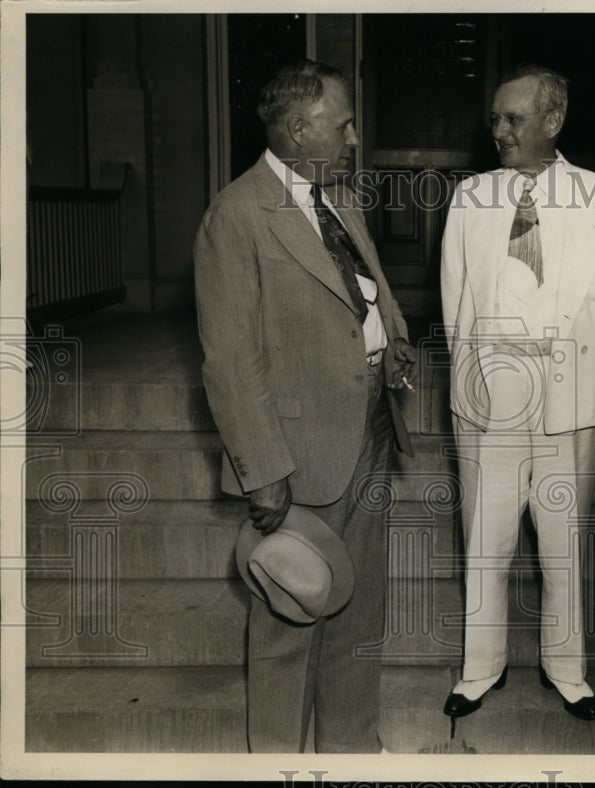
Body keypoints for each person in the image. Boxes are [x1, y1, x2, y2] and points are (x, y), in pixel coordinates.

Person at [193, 58, 415, 753]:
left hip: (371, 428)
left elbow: (366, 291)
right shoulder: (236, 215)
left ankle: (353, 749)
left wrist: (396, 341)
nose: (353, 136)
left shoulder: (339, 197)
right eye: (341, 123)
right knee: (291, 621)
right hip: (297, 451)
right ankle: (277, 765)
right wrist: (262, 470)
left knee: (359, 610)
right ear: (297, 128)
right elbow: (230, 359)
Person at [440, 64, 595, 722]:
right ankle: (480, 669)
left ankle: (567, 669)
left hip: (567, 395)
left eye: (513, 119)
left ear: (553, 121)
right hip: (490, 391)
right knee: (486, 540)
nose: (499, 130)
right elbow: (454, 302)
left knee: (562, 544)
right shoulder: (470, 198)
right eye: (494, 119)